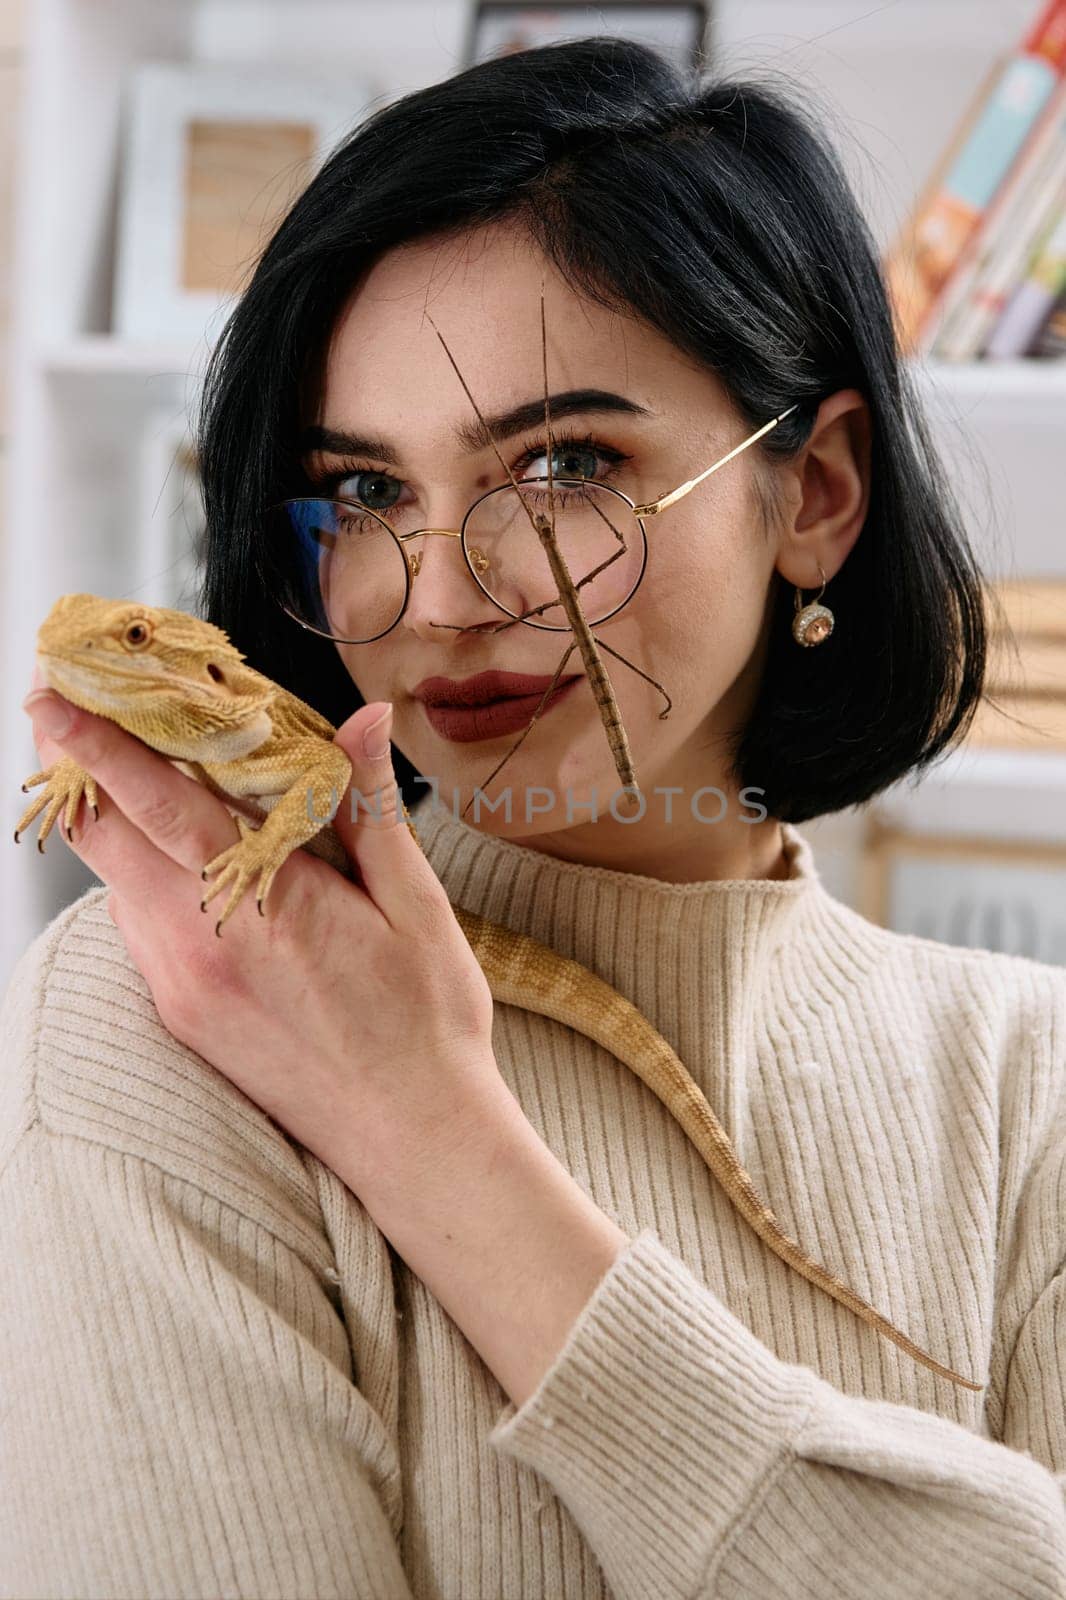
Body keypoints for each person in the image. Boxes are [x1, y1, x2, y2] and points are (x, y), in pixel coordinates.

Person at [2, 36, 1064, 1600]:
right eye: (361, 494)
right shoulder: (180, 999)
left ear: (816, 493)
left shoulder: (1027, 1082)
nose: (437, 596)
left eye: (564, 463)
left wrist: (428, 1140)